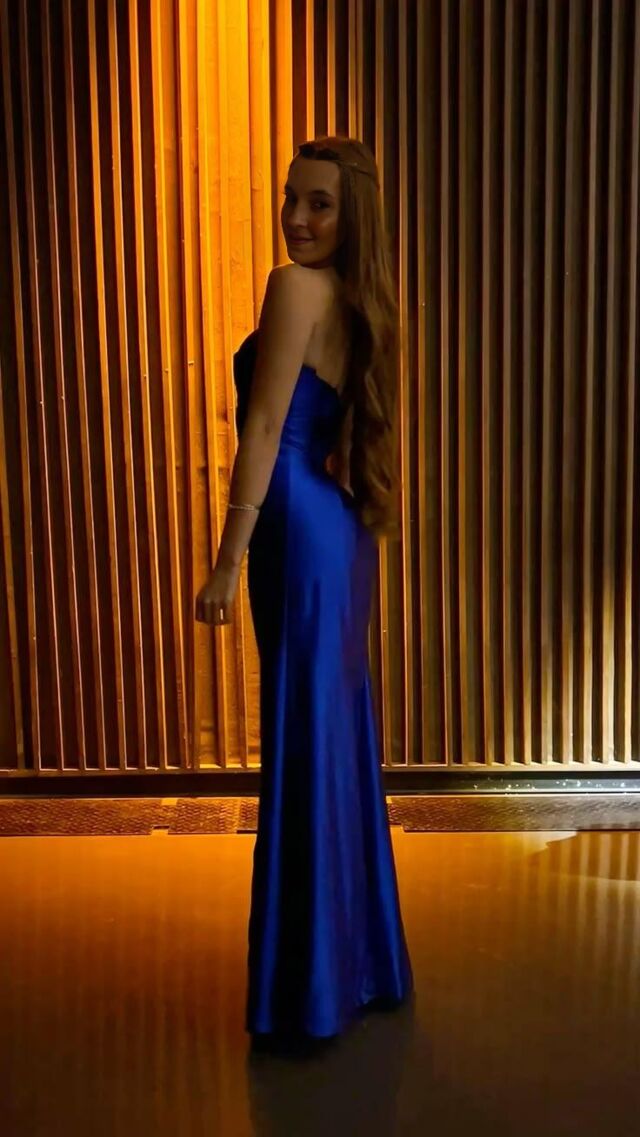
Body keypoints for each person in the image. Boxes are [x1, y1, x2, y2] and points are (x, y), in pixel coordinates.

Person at [195, 136, 414, 1050]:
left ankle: (310, 992)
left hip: (291, 521)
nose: (296, 217)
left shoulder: (294, 288)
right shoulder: (364, 301)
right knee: (332, 738)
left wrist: (227, 556)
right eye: (291, 198)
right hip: (339, 531)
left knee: (304, 738)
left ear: (351, 212)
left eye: (319, 202)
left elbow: (262, 428)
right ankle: (353, 968)